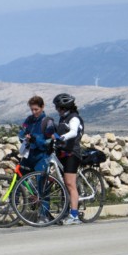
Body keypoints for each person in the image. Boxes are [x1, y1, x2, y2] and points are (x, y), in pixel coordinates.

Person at [18, 96, 55, 223]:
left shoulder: (47, 122)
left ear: (42, 107)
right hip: (29, 154)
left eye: (36, 109)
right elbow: (21, 132)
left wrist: (35, 139)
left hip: (42, 156)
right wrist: (24, 138)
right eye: (32, 109)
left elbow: (48, 141)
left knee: (42, 185)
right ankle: (16, 207)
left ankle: (44, 214)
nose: (34, 112)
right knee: (18, 178)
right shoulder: (29, 120)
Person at [52, 93, 84, 225]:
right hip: (62, 153)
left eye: (57, 107)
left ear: (63, 107)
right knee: (62, 183)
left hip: (72, 153)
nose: (56, 110)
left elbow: (73, 132)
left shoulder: (74, 118)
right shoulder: (62, 118)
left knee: (70, 184)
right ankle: (65, 211)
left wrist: (62, 138)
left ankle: (74, 215)